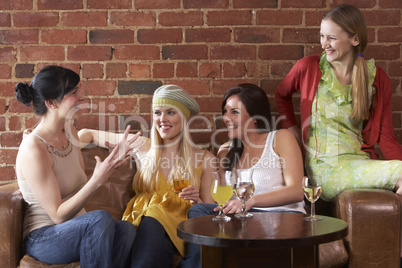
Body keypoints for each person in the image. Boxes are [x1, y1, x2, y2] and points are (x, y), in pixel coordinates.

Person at [79, 84, 217, 268]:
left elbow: (211, 213)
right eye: (157, 112)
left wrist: (197, 199)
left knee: (154, 223)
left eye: (170, 112)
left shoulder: (205, 158)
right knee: (152, 229)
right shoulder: (143, 145)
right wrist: (50, 146)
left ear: (184, 117)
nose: (162, 119)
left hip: (179, 228)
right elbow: (86, 134)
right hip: (142, 225)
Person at [274, 4, 402, 202]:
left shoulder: (376, 78)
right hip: (324, 168)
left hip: (360, 163)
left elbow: (386, 137)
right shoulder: (308, 67)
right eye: (322, 36)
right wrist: (291, 128)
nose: (324, 44)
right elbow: (281, 95)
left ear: (355, 39)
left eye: (332, 38)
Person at [15, 66, 139, 267]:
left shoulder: (69, 130)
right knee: (99, 219)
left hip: (79, 228)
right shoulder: (34, 148)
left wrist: (111, 165)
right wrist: (97, 180)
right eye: (73, 92)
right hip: (44, 238)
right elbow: (57, 215)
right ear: (51, 103)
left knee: (126, 229)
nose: (81, 96)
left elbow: (79, 188)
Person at [183, 83, 306, 268]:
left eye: (235, 112)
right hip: (243, 220)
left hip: (282, 217)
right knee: (198, 212)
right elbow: (222, 205)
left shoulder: (280, 138)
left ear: (255, 116)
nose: (226, 118)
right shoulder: (226, 153)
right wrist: (198, 201)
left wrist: (250, 202)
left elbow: (297, 191)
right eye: (225, 111)